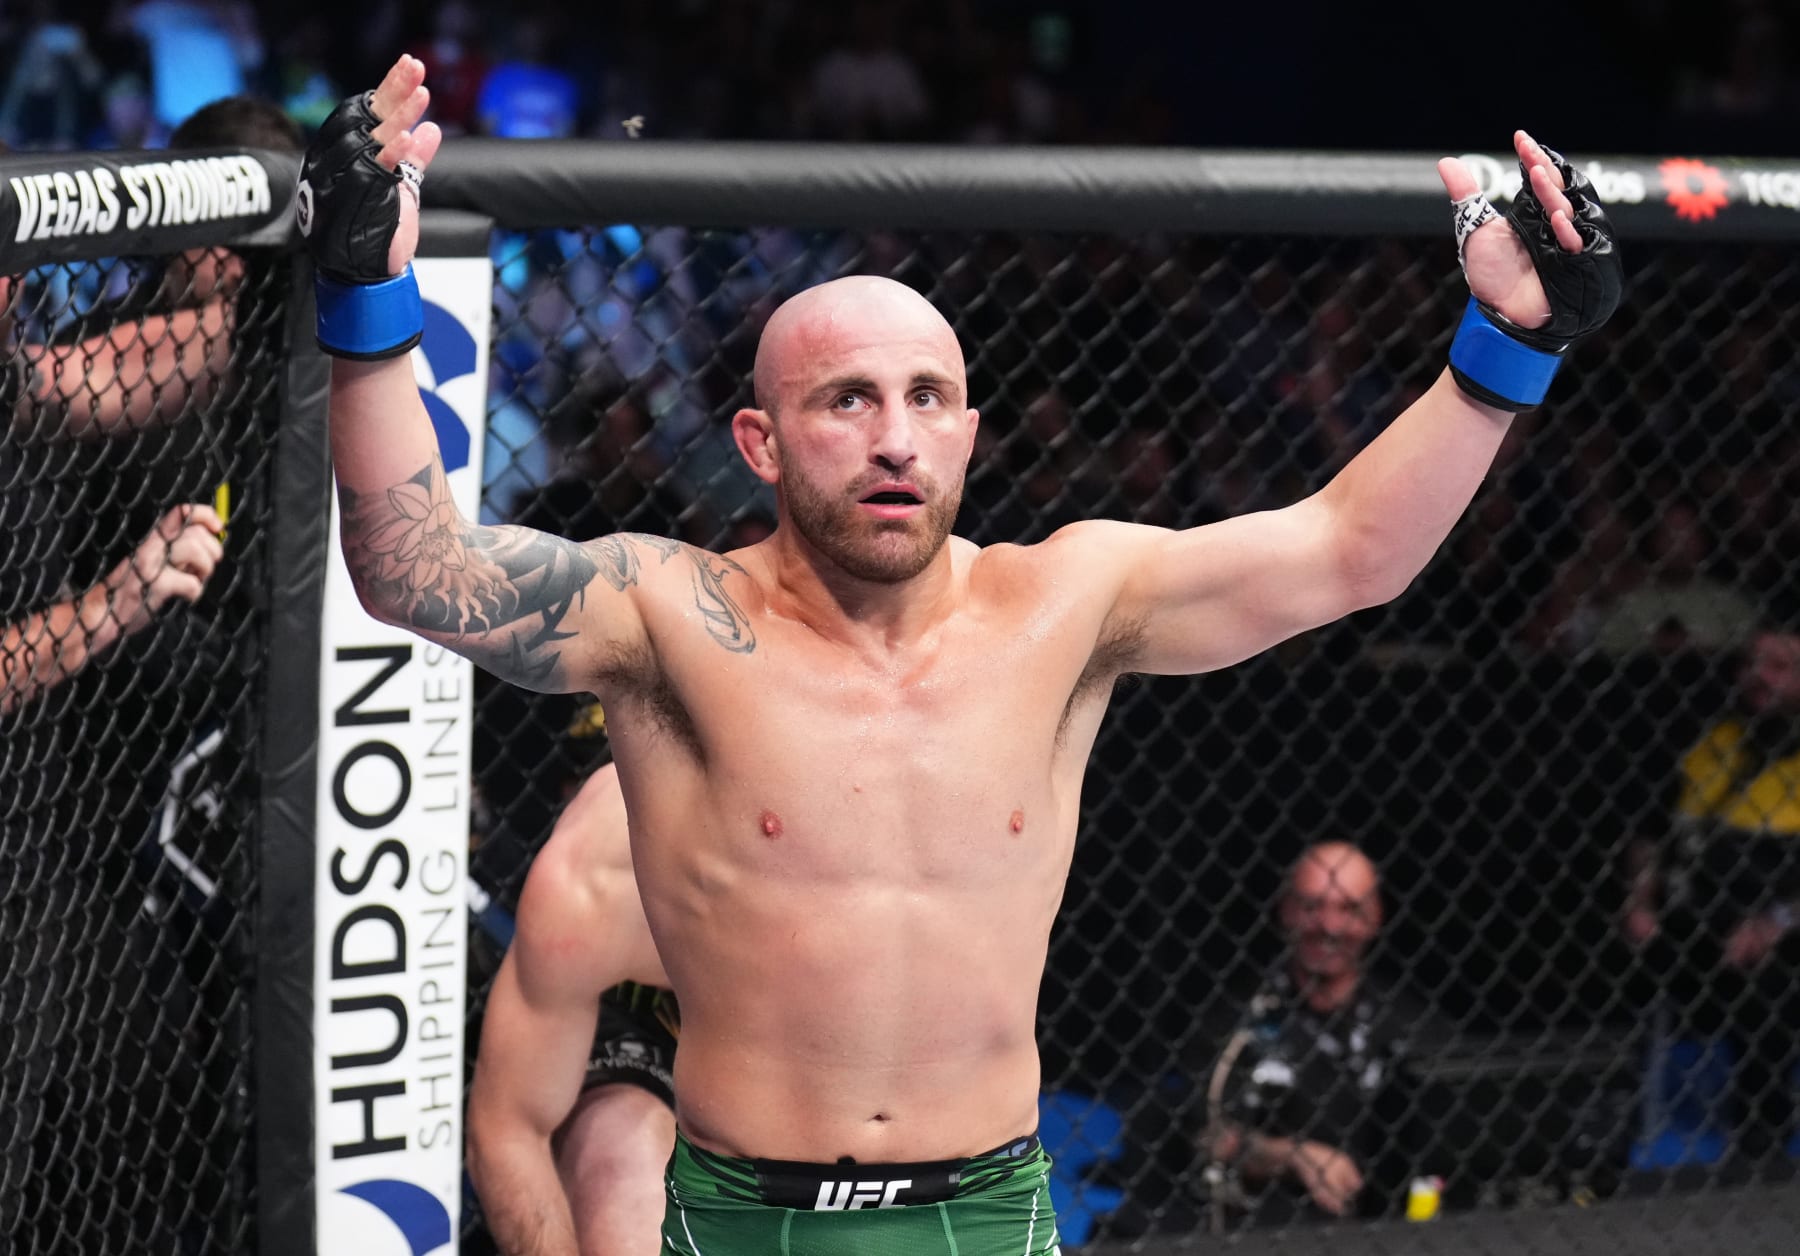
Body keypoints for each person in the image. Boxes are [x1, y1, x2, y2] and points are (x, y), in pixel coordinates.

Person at [303, 54, 1620, 1254]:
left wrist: (1511, 345)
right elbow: (418, 570)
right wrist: (367, 297)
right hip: (746, 1212)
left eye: (926, 398)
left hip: (984, 1209)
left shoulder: (1068, 603)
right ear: (761, 443)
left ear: (970, 432)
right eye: (847, 401)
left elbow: (1349, 551)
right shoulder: (667, 614)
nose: (894, 439)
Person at [468, 756, 679, 1256]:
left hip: (850, 1101)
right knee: (621, 1158)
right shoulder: (614, 860)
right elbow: (509, 1129)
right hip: (645, 1020)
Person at [1623, 628, 1800, 1167]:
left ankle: (1761, 1136)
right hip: (1687, 919)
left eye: (1777, 665)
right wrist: (1638, 898)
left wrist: (1775, 920)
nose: (1758, 675)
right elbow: (1650, 832)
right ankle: (1603, 1119)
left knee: (1771, 978)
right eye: (1752, 662)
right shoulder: (1712, 742)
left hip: (1776, 926)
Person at [1198, 843, 1429, 1224]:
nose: (1329, 927)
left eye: (1349, 909)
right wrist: (1290, 1154)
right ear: (1285, 911)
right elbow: (1205, 1136)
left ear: (1376, 917)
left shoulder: (1411, 1020)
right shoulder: (1236, 1022)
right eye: (1311, 907)